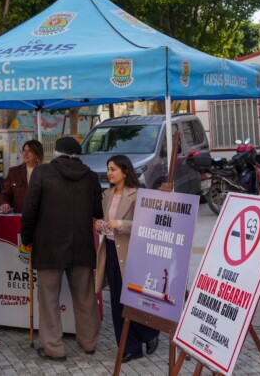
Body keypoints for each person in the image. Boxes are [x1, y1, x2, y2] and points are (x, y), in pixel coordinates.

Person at [21, 137, 103, 361]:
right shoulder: (91, 176)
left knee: (48, 300)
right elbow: (99, 210)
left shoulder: (41, 173)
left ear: (56, 152)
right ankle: (89, 343)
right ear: (79, 154)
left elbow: (29, 210)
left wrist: (26, 238)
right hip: (82, 245)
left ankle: (54, 348)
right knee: (86, 297)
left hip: (48, 246)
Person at [94, 155, 159, 363]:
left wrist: (121, 224)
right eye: (108, 169)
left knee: (133, 299)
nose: (109, 173)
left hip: (131, 252)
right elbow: (107, 221)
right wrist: (100, 225)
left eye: (113, 169)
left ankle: (148, 333)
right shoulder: (107, 194)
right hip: (111, 250)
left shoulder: (138, 194)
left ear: (125, 171)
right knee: (116, 300)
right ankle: (128, 345)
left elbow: (145, 223)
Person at [0, 140, 43, 214]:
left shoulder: (45, 172)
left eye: (29, 151)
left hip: (41, 217)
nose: (25, 154)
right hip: (20, 216)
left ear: (37, 154)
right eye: (24, 150)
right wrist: (5, 203)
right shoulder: (14, 172)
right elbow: (5, 194)